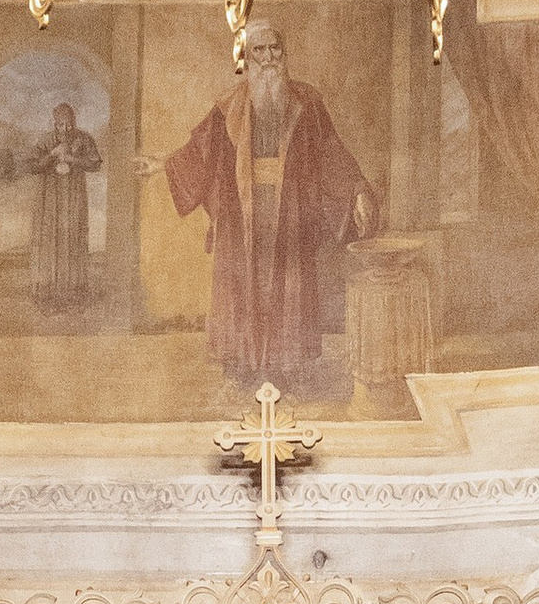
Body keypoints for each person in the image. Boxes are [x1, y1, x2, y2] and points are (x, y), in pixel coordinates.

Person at [156, 22, 379, 388]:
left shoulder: (307, 100)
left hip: (289, 206)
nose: (268, 58)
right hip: (241, 211)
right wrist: (163, 163)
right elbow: (201, 152)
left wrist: (355, 187)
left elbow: (331, 151)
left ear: (283, 51)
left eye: (274, 48)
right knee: (242, 283)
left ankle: (285, 362)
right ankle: (242, 360)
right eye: (258, 50)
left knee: (286, 284)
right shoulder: (229, 104)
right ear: (246, 57)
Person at [29, 102, 99, 314]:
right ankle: (47, 298)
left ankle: (74, 297)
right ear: (55, 123)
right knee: (49, 244)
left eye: (69, 124)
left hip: (73, 200)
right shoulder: (44, 140)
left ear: (74, 121)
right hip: (49, 201)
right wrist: (52, 155)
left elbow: (95, 163)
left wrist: (72, 159)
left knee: (74, 242)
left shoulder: (84, 138)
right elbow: (32, 166)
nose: (65, 129)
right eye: (61, 124)